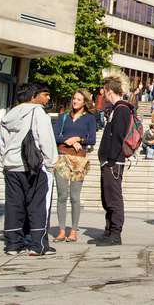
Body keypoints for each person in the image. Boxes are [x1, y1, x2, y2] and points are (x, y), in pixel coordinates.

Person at [0, 83, 58, 256]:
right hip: (31, 165)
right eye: (44, 95)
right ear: (33, 96)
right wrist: (51, 161)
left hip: (11, 165)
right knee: (37, 204)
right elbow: (45, 138)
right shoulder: (37, 111)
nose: (47, 99)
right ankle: (38, 244)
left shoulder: (9, 114)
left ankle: (13, 244)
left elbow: (1, 141)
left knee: (14, 204)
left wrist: (3, 160)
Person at [53, 89, 96, 243]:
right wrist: (68, 140)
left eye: (78, 99)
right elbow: (55, 135)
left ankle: (73, 230)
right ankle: (61, 230)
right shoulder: (64, 116)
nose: (75, 101)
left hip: (79, 160)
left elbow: (92, 139)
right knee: (62, 196)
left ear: (84, 102)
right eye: (74, 98)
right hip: (62, 157)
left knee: (74, 197)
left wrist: (79, 139)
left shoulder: (90, 118)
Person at [94, 76, 133, 246]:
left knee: (114, 198)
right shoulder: (117, 109)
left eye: (105, 92)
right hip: (110, 161)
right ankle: (109, 230)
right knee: (107, 197)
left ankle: (115, 234)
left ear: (110, 91)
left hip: (114, 162)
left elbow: (118, 136)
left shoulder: (122, 109)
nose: (104, 96)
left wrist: (110, 159)